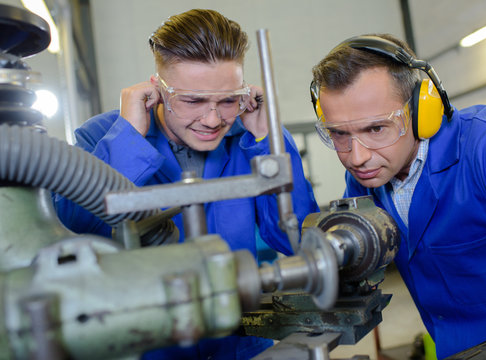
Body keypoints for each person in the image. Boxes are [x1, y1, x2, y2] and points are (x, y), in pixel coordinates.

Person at [54, 8, 319, 360]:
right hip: (145, 346)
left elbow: (296, 238)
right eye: (193, 101)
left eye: (227, 100)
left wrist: (266, 138)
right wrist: (129, 138)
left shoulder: (252, 133)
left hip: (240, 342)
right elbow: (74, 229)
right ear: (157, 89)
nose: (212, 119)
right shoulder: (102, 137)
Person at [310, 33, 486, 359]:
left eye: (376, 129)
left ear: (421, 110)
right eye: (339, 133)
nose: (356, 156)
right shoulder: (366, 180)